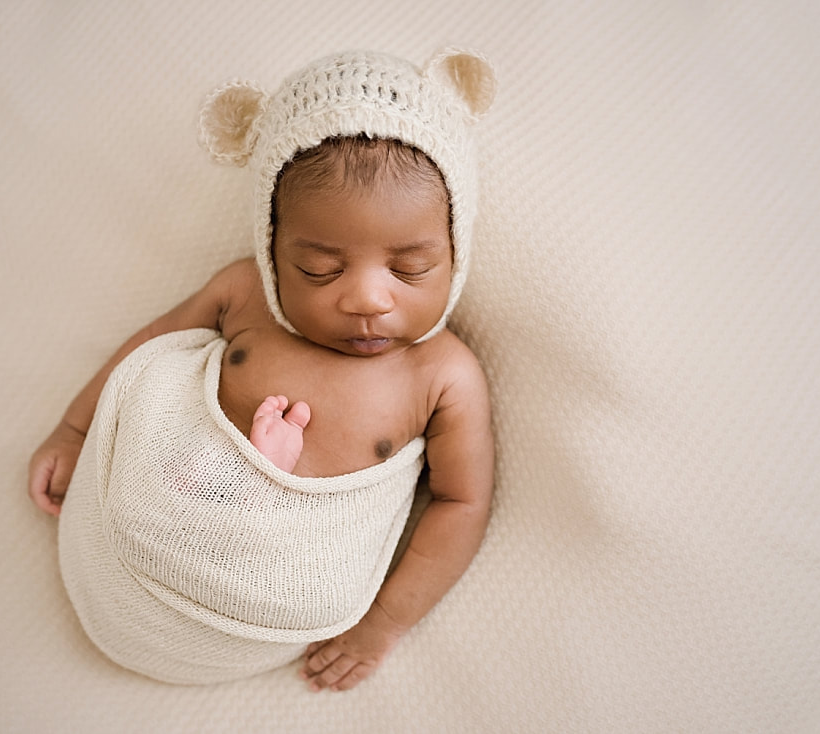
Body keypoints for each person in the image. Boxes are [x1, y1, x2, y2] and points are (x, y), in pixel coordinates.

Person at [28, 48, 497, 692]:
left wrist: (384, 621)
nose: (367, 299)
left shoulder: (442, 375)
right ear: (271, 246)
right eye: (319, 269)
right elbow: (145, 353)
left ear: (456, 251)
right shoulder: (245, 294)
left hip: (270, 602)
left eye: (410, 268)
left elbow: (461, 503)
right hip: (138, 538)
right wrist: (77, 431)